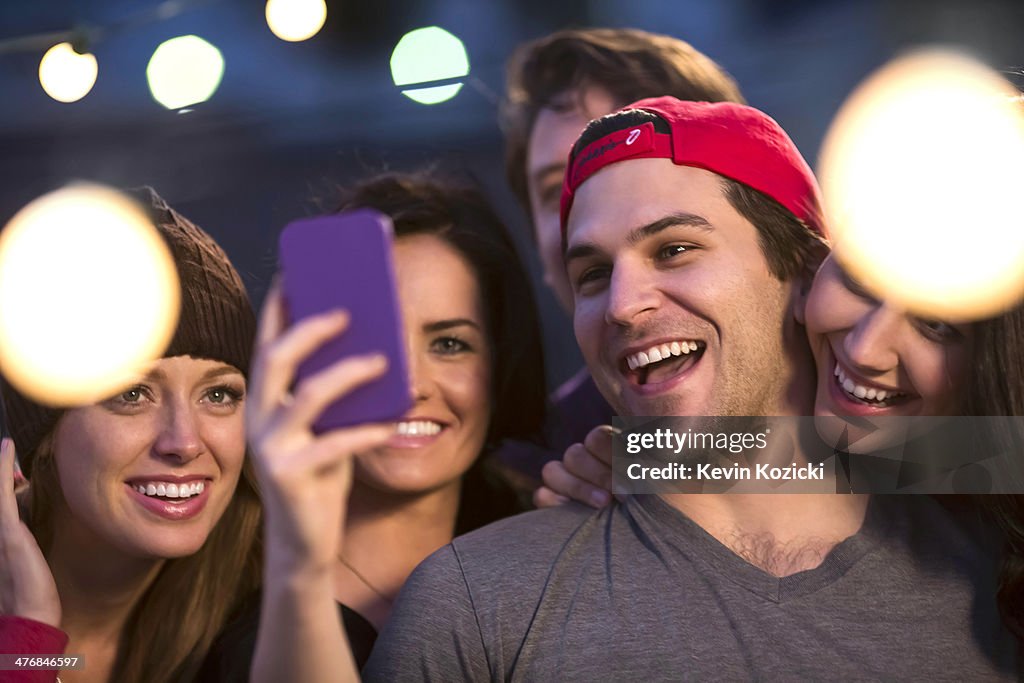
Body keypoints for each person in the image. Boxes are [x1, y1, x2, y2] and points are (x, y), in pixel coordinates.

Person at [361, 98, 1020, 679]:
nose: (621, 304)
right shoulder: (474, 603)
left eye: (674, 249)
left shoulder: (994, 558)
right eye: (591, 273)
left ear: (803, 272)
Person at [211, 171, 547, 680]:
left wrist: (644, 468)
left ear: (499, 366)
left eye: (450, 344)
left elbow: (713, 467)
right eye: (376, 344)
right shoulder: (212, 597)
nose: (412, 385)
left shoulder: (552, 546)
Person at [0, 187, 262, 683]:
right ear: (45, 436)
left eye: (219, 395)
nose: (184, 442)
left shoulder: (263, 611)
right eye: (132, 394)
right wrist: (28, 640)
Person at [502, 28, 746, 457]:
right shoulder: (537, 468)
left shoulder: (863, 358)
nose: (591, 216)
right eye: (559, 188)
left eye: (631, 159)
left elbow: (896, 469)